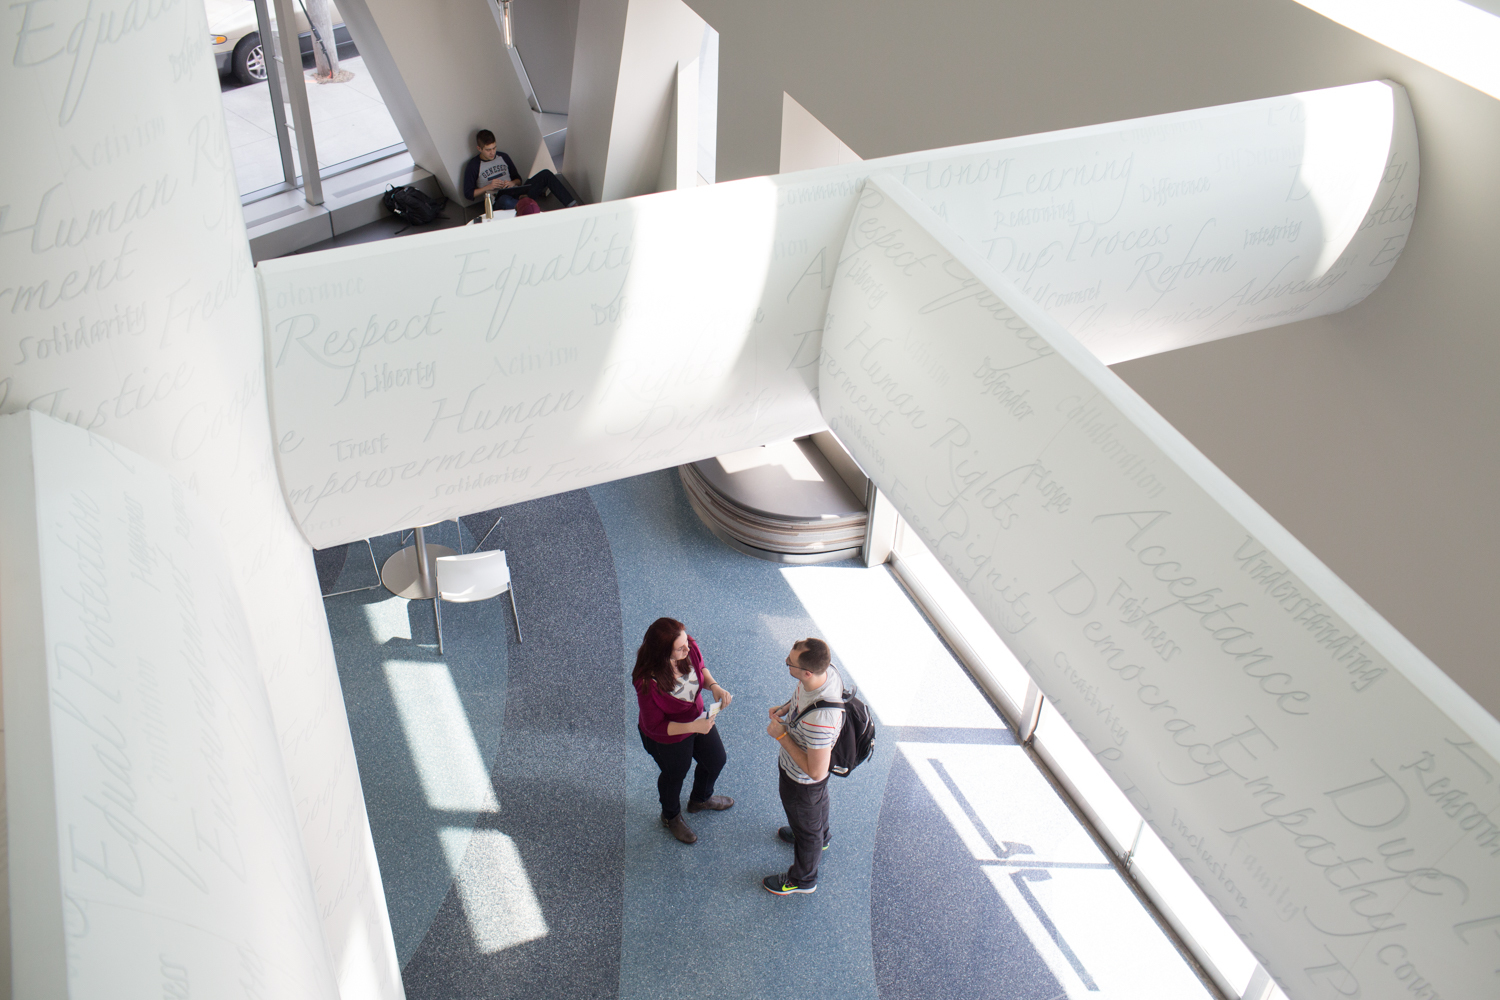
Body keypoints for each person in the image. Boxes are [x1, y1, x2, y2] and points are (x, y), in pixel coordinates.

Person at [633, 617, 735, 844]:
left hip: (697, 719)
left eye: (686, 643)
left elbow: (701, 668)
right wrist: (693, 727)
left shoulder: (688, 646)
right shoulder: (647, 682)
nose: (688, 648)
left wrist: (714, 686)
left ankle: (700, 799)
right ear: (662, 652)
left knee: (716, 760)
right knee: (675, 774)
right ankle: (670, 816)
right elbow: (654, 726)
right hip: (668, 735)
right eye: (680, 648)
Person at [764, 637, 843, 895]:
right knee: (818, 803)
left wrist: (780, 735)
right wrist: (787, 708)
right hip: (811, 786)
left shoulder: (820, 721)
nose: (786, 663)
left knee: (806, 827)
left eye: (790, 662)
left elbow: (816, 771)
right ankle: (823, 837)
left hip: (801, 780)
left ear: (807, 671)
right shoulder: (827, 673)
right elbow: (803, 695)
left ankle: (803, 880)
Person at [461, 129, 578, 209]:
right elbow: (468, 194)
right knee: (506, 200)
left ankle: (573, 206)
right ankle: (529, 209)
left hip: (518, 193)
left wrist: (512, 183)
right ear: (479, 148)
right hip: (498, 200)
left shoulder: (503, 157)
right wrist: (489, 187)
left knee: (546, 174)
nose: (492, 152)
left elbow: (518, 179)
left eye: (494, 148)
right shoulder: (474, 165)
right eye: (488, 150)